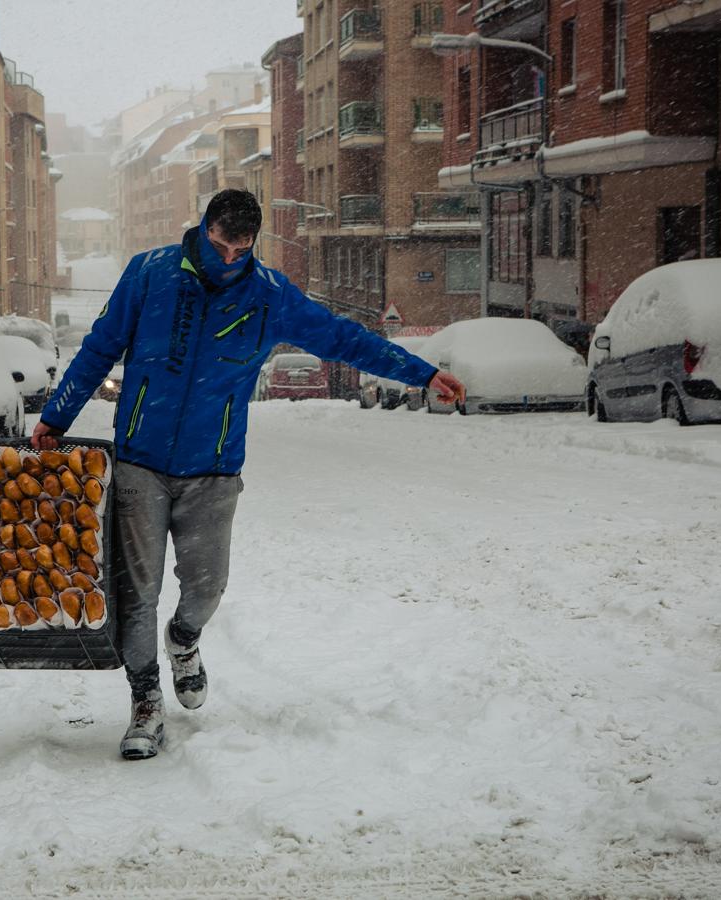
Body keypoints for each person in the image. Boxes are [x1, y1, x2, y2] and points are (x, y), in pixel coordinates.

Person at [32, 189, 465, 760]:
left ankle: (184, 641)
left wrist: (423, 372)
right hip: (140, 461)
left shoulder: (269, 296)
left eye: (241, 249)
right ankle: (144, 701)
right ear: (204, 228)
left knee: (206, 587)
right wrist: (55, 415)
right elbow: (98, 348)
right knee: (138, 593)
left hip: (214, 468)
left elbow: (344, 338)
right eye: (220, 245)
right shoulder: (150, 275)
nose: (230, 259)